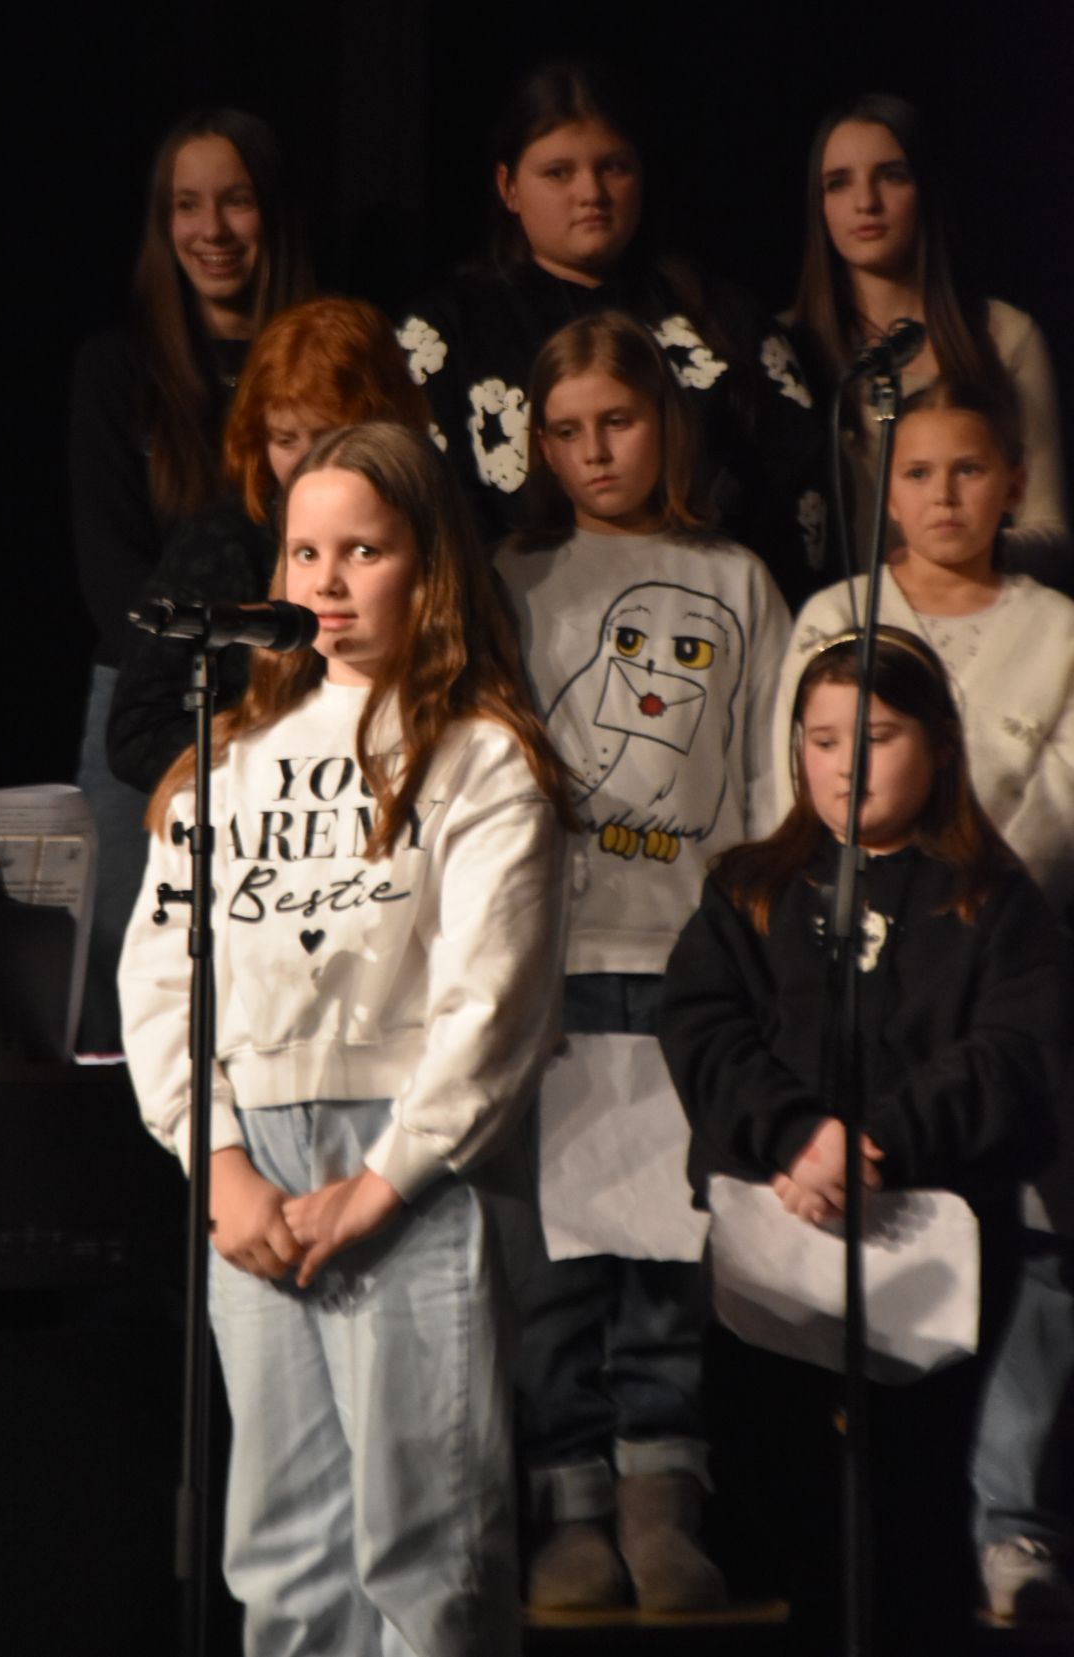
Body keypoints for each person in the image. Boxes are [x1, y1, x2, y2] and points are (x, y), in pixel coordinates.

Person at [119, 422, 573, 1657]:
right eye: (305, 552)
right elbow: (161, 977)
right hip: (252, 1168)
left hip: (410, 1169)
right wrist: (215, 1162)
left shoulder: (481, 758)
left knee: (430, 1545)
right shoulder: (226, 760)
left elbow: (493, 1002)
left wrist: (381, 1184)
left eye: (363, 550)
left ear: (429, 568)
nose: (326, 580)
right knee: (285, 1547)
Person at [659, 627, 1072, 1652]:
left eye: (876, 738)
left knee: (917, 1513)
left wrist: (875, 1143)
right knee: (789, 1513)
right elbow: (705, 1030)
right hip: (776, 1239)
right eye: (823, 740)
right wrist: (798, 1137)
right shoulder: (750, 887)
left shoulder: (992, 899)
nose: (845, 765)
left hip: (938, 1251)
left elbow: (1015, 1054)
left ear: (939, 745)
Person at [495, 312, 790, 1610]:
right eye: (566, 431)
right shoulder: (514, 574)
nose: (595, 451)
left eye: (616, 421)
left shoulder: (735, 577)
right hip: (551, 955)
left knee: (666, 1242)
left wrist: (756, 939)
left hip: (688, 956)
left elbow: (773, 776)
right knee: (557, 1248)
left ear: (664, 419)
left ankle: (662, 1497)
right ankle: (570, 1502)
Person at [774, 381, 1074, 1624]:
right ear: (881, 487)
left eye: (970, 470)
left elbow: (1060, 807)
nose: (944, 495)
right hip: (856, 957)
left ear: (1015, 483)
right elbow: (789, 779)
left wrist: (963, 880)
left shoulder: (1057, 627)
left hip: (1006, 946)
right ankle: (850, 1524)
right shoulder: (838, 613)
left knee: (1035, 1237)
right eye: (917, 472)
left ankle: (1008, 1518)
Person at [399, 59, 827, 606]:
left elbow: (797, 491)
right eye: (559, 173)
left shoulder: (722, 318)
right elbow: (419, 504)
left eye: (613, 167)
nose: (592, 192)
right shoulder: (443, 333)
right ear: (508, 186)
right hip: (512, 628)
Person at [70, 107, 312, 1053]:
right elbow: (109, 566)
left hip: (298, 688)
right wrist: (188, 676)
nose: (212, 229)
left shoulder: (319, 359)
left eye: (236, 201)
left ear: (273, 212)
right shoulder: (118, 368)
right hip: (147, 694)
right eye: (187, 205)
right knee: (129, 979)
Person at [106, 296, 431, 795]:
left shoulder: (435, 533)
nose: (306, 464)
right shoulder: (224, 540)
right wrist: (277, 768)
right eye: (284, 440)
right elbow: (138, 731)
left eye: (327, 436)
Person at [786, 92, 1068, 582]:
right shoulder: (784, 345)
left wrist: (953, 557)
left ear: (926, 189)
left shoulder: (1003, 336)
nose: (865, 202)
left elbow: (1052, 536)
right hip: (829, 620)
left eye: (891, 176)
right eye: (838, 183)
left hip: (971, 612)